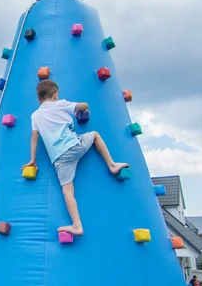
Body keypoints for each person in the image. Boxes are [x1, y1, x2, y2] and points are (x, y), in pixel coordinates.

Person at [23, 79, 129, 236]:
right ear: (55, 94)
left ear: (38, 99)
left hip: (58, 158)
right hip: (73, 146)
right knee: (94, 135)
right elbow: (84, 106)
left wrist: (33, 160)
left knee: (67, 191)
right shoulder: (60, 104)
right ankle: (112, 165)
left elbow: (34, 136)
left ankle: (77, 225)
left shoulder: (35, 116)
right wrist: (79, 108)